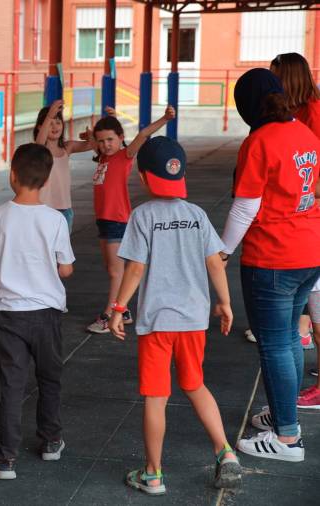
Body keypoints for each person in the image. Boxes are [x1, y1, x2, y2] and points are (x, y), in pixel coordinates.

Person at [107, 137, 242, 495]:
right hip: (193, 320)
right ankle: (225, 452)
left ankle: (153, 474)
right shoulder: (196, 214)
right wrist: (225, 303)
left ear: (142, 175)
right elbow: (215, 262)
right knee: (195, 384)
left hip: (157, 323)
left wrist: (118, 308)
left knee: (156, 397)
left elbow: (135, 269)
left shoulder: (143, 216)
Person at [221, 68, 320, 462]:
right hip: (309, 250)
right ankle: (285, 415)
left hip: (274, 256)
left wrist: (222, 249)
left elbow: (246, 204)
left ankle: (287, 438)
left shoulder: (259, 141)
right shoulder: (304, 134)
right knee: (291, 338)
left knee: (276, 343)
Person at [0, 143, 75, 480]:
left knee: (12, 385)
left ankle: (5, 458)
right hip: (47, 312)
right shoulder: (55, 219)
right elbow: (65, 270)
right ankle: (51, 441)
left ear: (12, 176)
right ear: (45, 181)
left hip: (10, 313)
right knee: (50, 380)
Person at [85, 106, 176, 334]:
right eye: (102, 140)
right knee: (111, 269)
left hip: (116, 221)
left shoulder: (123, 157)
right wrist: (109, 121)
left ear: (121, 139)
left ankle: (110, 314)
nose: (106, 144)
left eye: (110, 139)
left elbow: (143, 134)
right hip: (104, 221)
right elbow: (104, 139)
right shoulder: (103, 159)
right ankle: (124, 313)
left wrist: (165, 118)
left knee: (116, 272)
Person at [271, 52, 320, 350]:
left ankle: (302, 326)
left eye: (274, 75)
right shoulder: (295, 110)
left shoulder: (312, 112)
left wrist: (308, 193)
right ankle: (300, 325)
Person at [33, 99, 96, 230]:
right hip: (43, 208)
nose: (55, 127)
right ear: (40, 127)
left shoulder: (67, 147)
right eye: (50, 123)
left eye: (58, 122)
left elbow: (93, 145)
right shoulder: (39, 150)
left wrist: (91, 136)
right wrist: (49, 115)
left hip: (65, 209)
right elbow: (39, 143)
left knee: (62, 249)